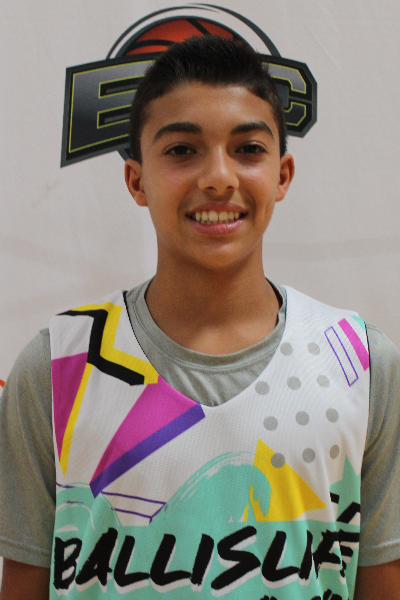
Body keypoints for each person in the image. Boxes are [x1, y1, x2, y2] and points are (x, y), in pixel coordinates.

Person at [0, 35, 399, 600]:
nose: (218, 177)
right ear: (136, 179)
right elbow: (23, 582)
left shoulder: (363, 365)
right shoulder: (57, 366)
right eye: (182, 150)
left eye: (248, 149)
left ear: (283, 175)